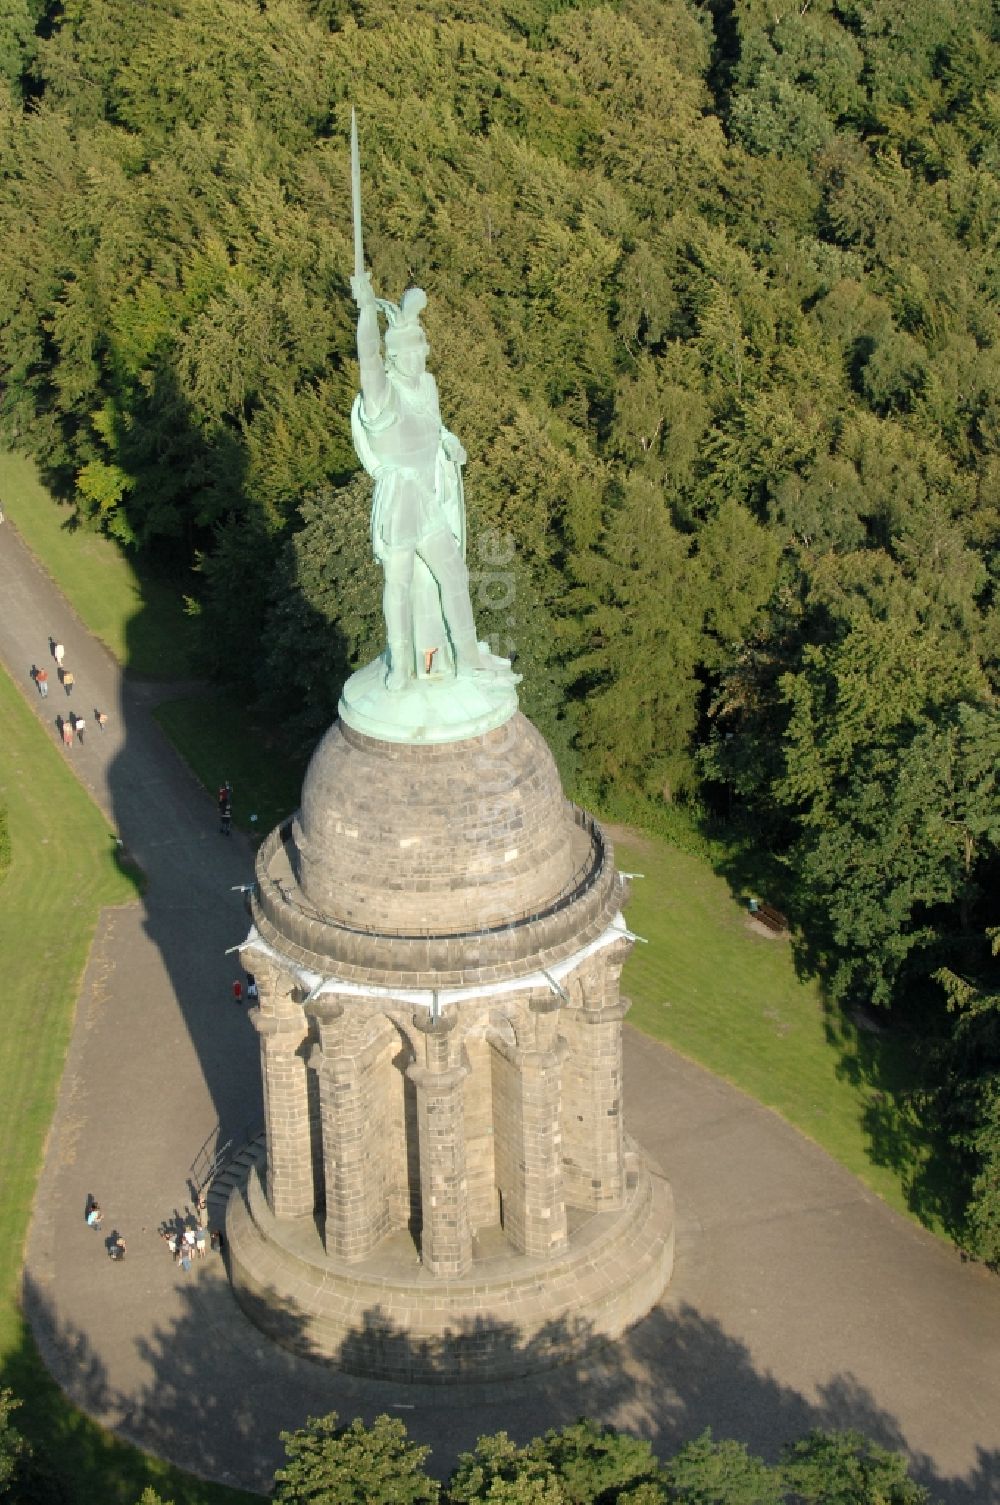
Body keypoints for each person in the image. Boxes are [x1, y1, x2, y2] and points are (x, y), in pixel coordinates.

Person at [350, 275, 508, 692]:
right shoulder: (381, 396)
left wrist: (449, 441)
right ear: (393, 355)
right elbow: (367, 357)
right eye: (407, 352)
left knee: (453, 574)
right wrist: (367, 311)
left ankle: (469, 656)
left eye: (421, 350)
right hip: (401, 500)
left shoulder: (428, 387)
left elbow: (433, 429)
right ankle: (401, 663)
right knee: (398, 583)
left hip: (428, 496)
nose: (417, 358)